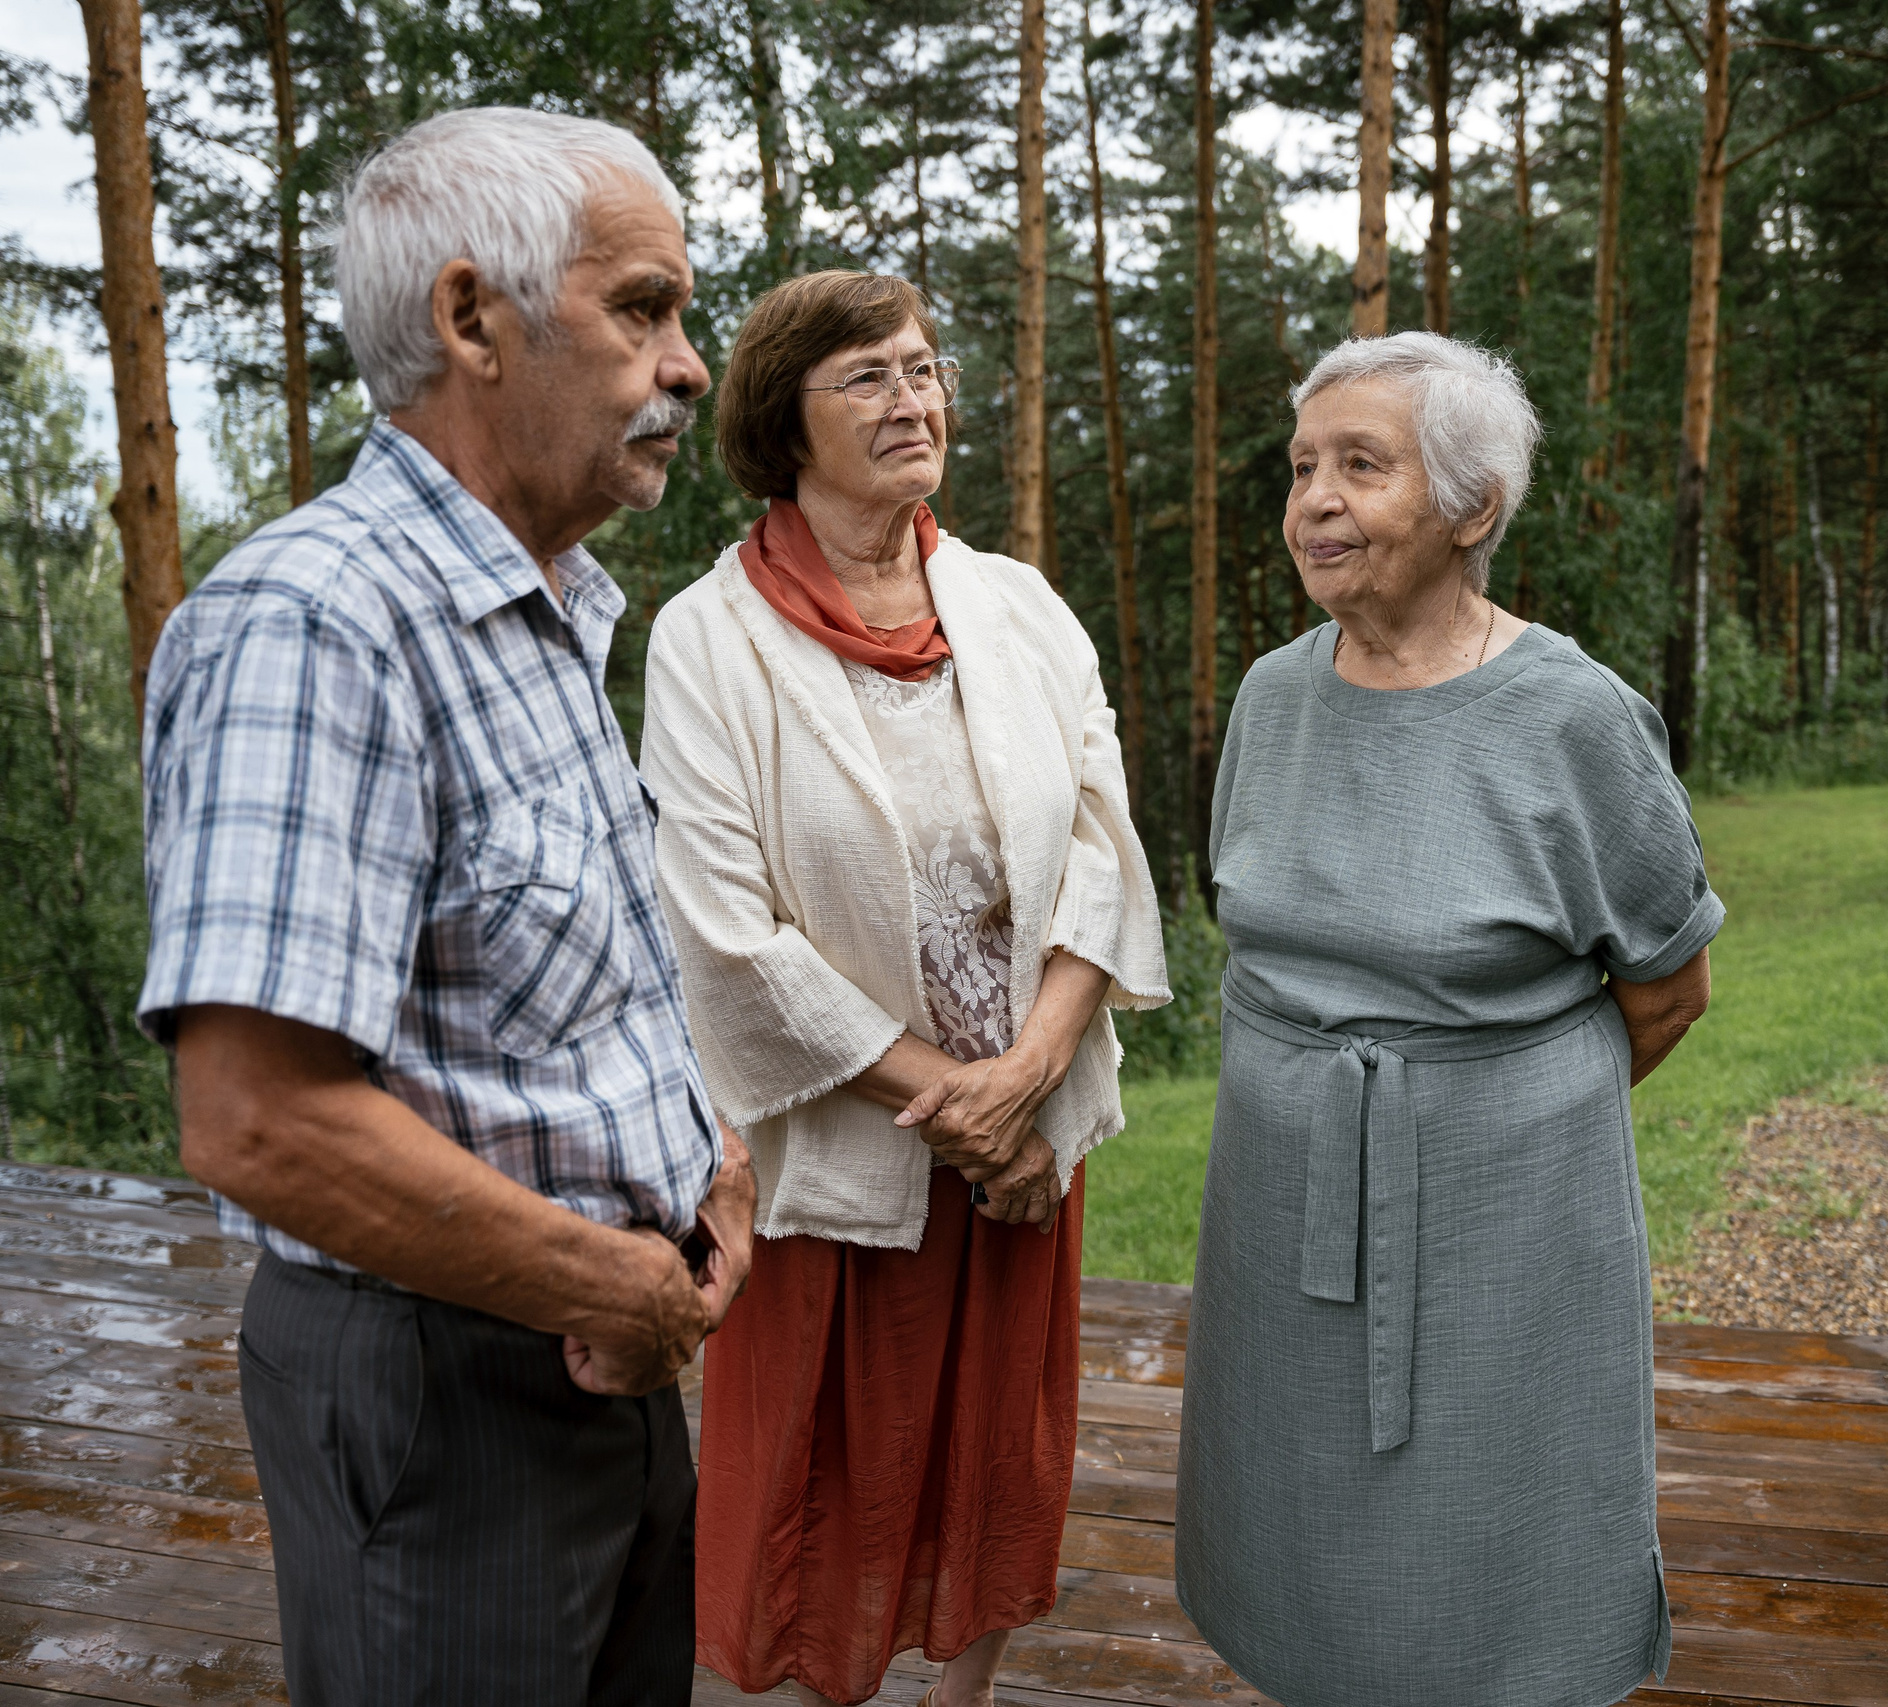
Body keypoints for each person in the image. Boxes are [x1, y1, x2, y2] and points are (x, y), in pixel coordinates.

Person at [137, 107, 753, 1706]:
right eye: (644, 308)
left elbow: (538, 997)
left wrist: (706, 1165)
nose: (690, 363)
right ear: (474, 318)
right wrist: (598, 1278)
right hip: (448, 1389)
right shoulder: (316, 622)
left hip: (597, 1356)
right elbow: (259, 1123)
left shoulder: (540, 609)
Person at [1173, 332, 1723, 1707]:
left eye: (1362, 464)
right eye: (1303, 467)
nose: (1314, 499)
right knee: (1296, 1523)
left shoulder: (1576, 718)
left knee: (1494, 1534)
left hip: (1506, 1224)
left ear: (1473, 507)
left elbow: (1666, 988)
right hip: (1276, 1205)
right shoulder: (1271, 695)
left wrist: (1486, 1120)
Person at [643, 270, 1168, 1707]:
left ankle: (966, 1698)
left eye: (925, 368)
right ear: (781, 418)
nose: (913, 398)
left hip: (1021, 1130)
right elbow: (721, 927)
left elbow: (1098, 845)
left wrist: (1033, 1072)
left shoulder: (1016, 606)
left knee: (1003, 1443)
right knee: (837, 1465)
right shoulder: (709, 638)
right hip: (851, 1146)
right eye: (867, 375)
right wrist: (954, 1101)